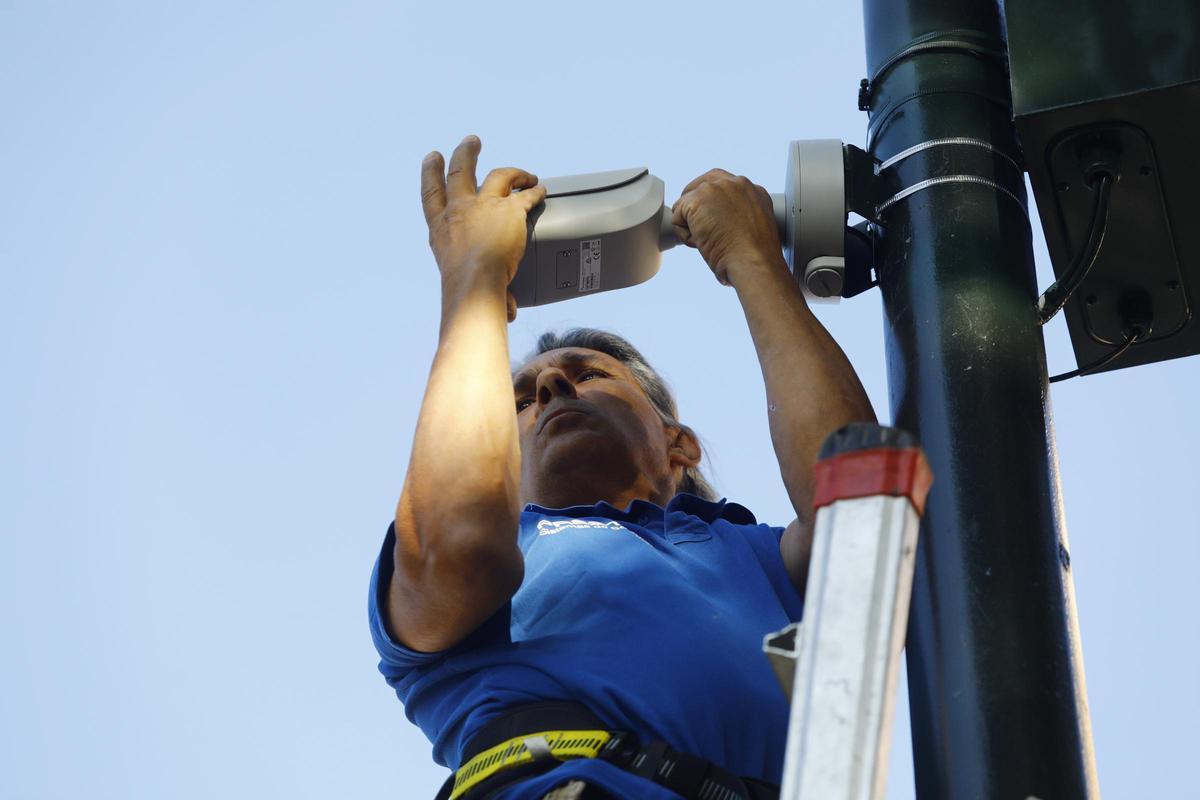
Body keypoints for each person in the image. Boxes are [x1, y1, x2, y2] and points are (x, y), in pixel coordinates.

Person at [367, 135, 876, 800]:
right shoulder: (478, 555)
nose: (550, 388)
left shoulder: (756, 559)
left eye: (585, 375)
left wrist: (753, 260)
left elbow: (868, 505)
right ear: (502, 457)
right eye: (519, 399)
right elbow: (460, 543)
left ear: (679, 446)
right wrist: (475, 283)